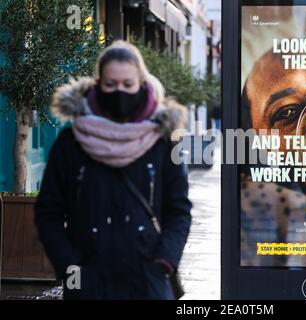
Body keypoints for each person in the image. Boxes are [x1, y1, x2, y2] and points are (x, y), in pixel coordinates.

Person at [34, 41, 192, 300]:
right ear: (99, 85)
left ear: (141, 83)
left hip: (147, 281)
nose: (120, 92)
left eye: (127, 85)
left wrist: (164, 262)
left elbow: (179, 211)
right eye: (111, 85)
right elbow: (48, 212)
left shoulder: (163, 142)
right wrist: (70, 268)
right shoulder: (71, 142)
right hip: (89, 282)